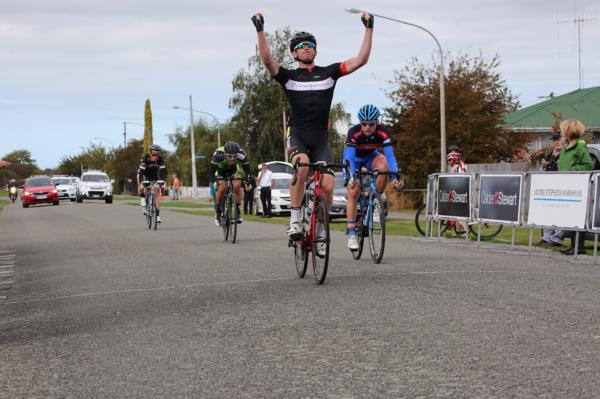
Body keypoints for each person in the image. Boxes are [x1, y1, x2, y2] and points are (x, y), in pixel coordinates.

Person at [251, 11, 374, 243]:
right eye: (301, 45)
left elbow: (361, 60)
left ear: (316, 50)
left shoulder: (329, 73)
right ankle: (295, 220)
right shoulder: (288, 76)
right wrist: (260, 31)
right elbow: (267, 60)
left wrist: (369, 28)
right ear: (294, 53)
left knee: (327, 186)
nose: (306, 48)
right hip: (297, 134)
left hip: (320, 138)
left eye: (310, 45)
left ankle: (319, 229)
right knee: (303, 167)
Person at [343, 104, 402, 250]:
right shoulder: (354, 132)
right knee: (353, 191)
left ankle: (376, 199)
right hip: (354, 160)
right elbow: (349, 157)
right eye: (364, 124)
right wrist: (352, 175)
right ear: (360, 123)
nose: (367, 127)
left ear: (377, 122)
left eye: (371, 124)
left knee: (384, 168)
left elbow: (390, 156)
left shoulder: (383, 132)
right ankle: (351, 234)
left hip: (371, 157)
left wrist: (395, 177)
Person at [557, 119, 593, 256]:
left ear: (568, 130)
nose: (562, 131)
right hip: (566, 185)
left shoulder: (580, 146)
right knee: (571, 217)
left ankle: (579, 247)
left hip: (578, 185)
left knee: (578, 217)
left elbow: (588, 164)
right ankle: (573, 245)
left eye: (563, 129)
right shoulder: (566, 146)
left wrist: (573, 169)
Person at [208, 141, 251, 226]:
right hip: (220, 170)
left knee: (237, 185)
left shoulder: (242, 155)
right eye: (230, 156)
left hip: (233, 170)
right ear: (225, 153)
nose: (232, 158)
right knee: (222, 187)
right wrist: (214, 182)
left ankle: (238, 210)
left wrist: (248, 180)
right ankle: (218, 211)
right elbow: (211, 173)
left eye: (235, 156)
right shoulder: (218, 155)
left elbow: (248, 172)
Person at [539, 132, 564, 246]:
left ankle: (556, 239)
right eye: (554, 140)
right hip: (549, 188)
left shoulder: (566, 154)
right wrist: (543, 166)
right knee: (547, 212)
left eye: (558, 139)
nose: (556, 142)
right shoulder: (550, 154)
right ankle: (546, 237)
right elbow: (542, 171)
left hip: (562, 188)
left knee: (561, 213)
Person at [137, 144, 168, 223]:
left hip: (154, 175)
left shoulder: (160, 159)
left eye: (157, 155)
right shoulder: (145, 159)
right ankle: (142, 198)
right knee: (141, 185)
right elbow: (141, 173)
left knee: (157, 192)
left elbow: (164, 172)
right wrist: (141, 183)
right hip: (144, 174)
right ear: (150, 153)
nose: (155, 156)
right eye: (154, 154)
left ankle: (157, 216)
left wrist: (164, 183)